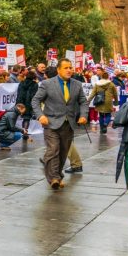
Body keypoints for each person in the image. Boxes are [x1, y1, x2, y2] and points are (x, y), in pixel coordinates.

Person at [32, 58, 88, 190]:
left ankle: (57, 175)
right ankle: (53, 178)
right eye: (66, 68)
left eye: (71, 67)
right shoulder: (47, 84)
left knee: (63, 152)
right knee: (53, 150)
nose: (69, 70)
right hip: (50, 123)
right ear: (58, 70)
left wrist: (84, 115)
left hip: (69, 124)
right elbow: (35, 101)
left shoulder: (77, 84)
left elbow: (83, 102)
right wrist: (40, 116)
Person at [88, 70, 117, 134]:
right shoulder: (111, 84)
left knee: (101, 115)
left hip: (99, 100)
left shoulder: (97, 84)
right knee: (108, 115)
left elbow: (93, 93)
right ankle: (105, 124)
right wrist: (116, 101)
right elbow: (115, 94)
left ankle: (102, 129)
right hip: (108, 101)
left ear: (101, 77)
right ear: (108, 77)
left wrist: (88, 100)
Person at [15, 69, 38, 135]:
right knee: (26, 119)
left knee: (16, 117)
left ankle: (20, 131)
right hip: (29, 103)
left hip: (20, 102)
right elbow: (35, 95)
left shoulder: (21, 83)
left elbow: (19, 93)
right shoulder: (35, 84)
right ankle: (25, 131)